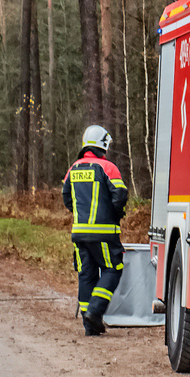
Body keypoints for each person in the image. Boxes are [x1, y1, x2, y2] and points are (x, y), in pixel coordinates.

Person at [62, 125, 128, 336]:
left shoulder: (73, 169)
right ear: (103, 145)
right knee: (112, 269)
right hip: (104, 233)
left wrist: (80, 214)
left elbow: (67, 197)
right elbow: (120, 195)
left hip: (79, 234)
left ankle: (88, 323)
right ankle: (94, 311)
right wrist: (115, 214)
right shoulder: (108, 167)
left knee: (86, 275)